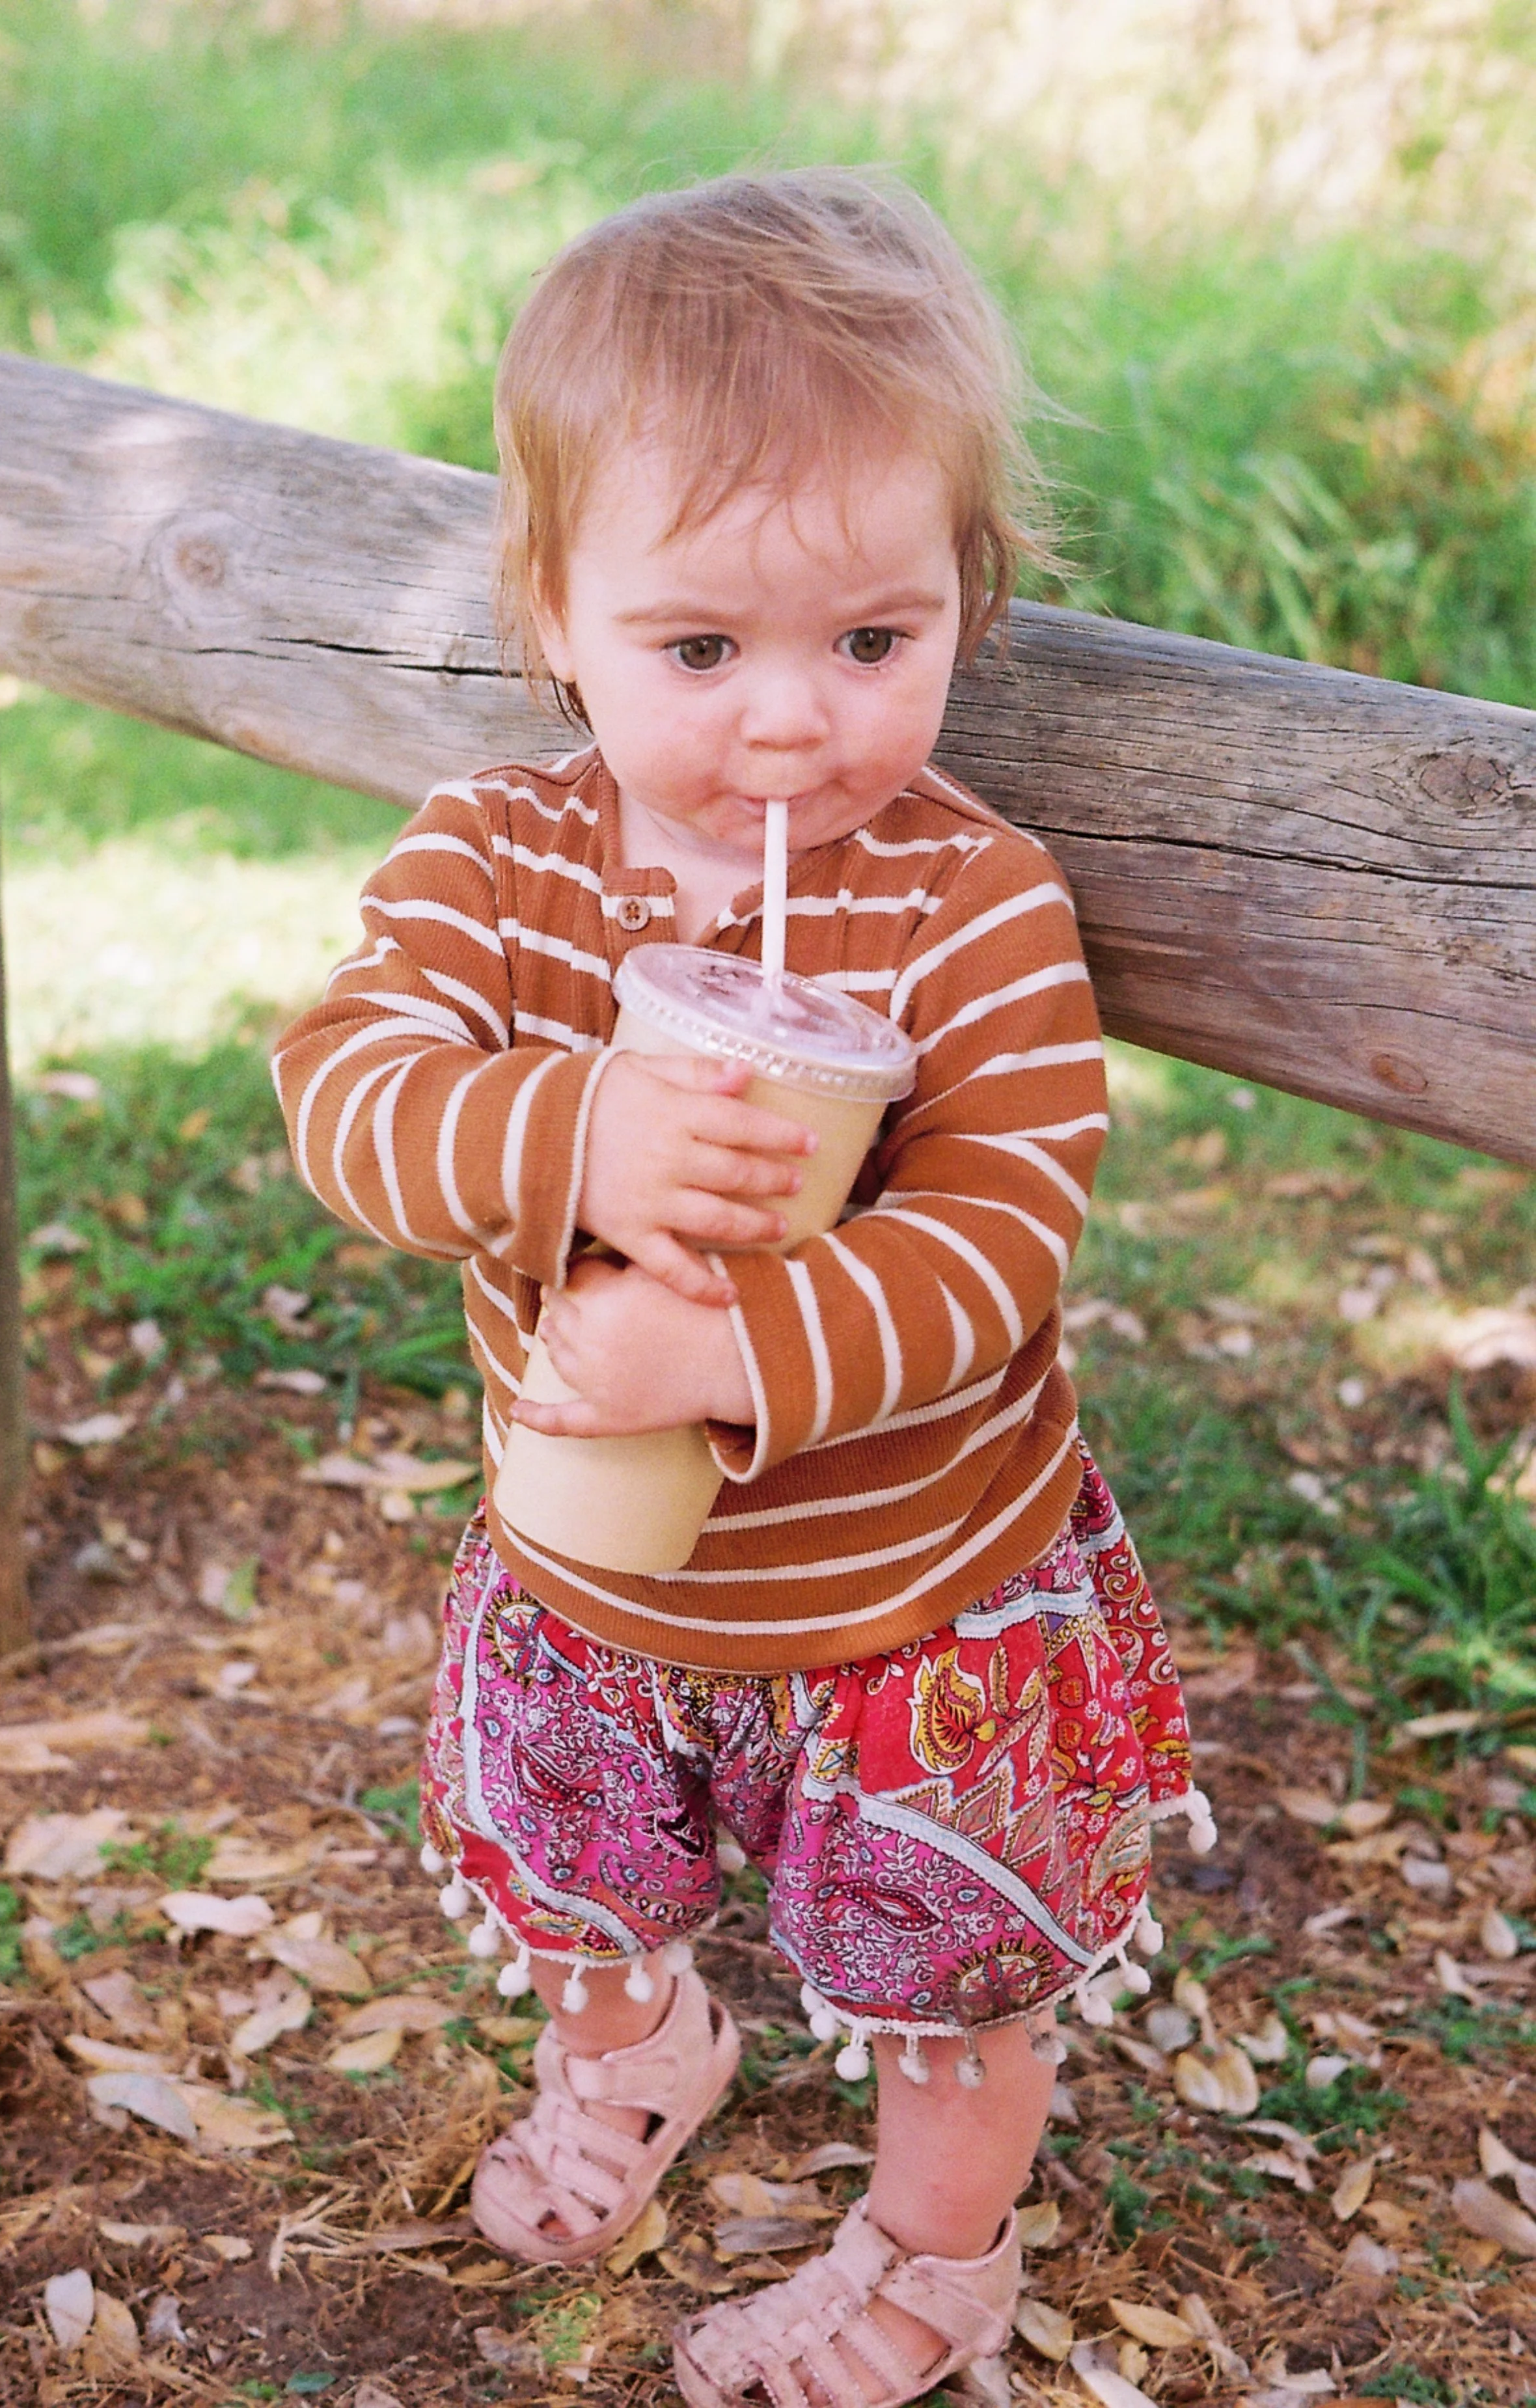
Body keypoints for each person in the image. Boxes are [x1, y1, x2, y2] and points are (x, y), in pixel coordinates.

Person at [274, 169, 1206, 2408]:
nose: (790, 727)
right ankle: (645, 2044)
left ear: (962, 602)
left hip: (920, 1618)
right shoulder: (496, 865)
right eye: (701, 649)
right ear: (555, 611)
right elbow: (347, 1088)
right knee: (575, 1872)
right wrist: (568, 1127)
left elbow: (998, 1236)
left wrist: (730, 1348)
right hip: (590, 1574)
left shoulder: (973, 902)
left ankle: (928, 2259)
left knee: (943, 1967)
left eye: (871, 642)